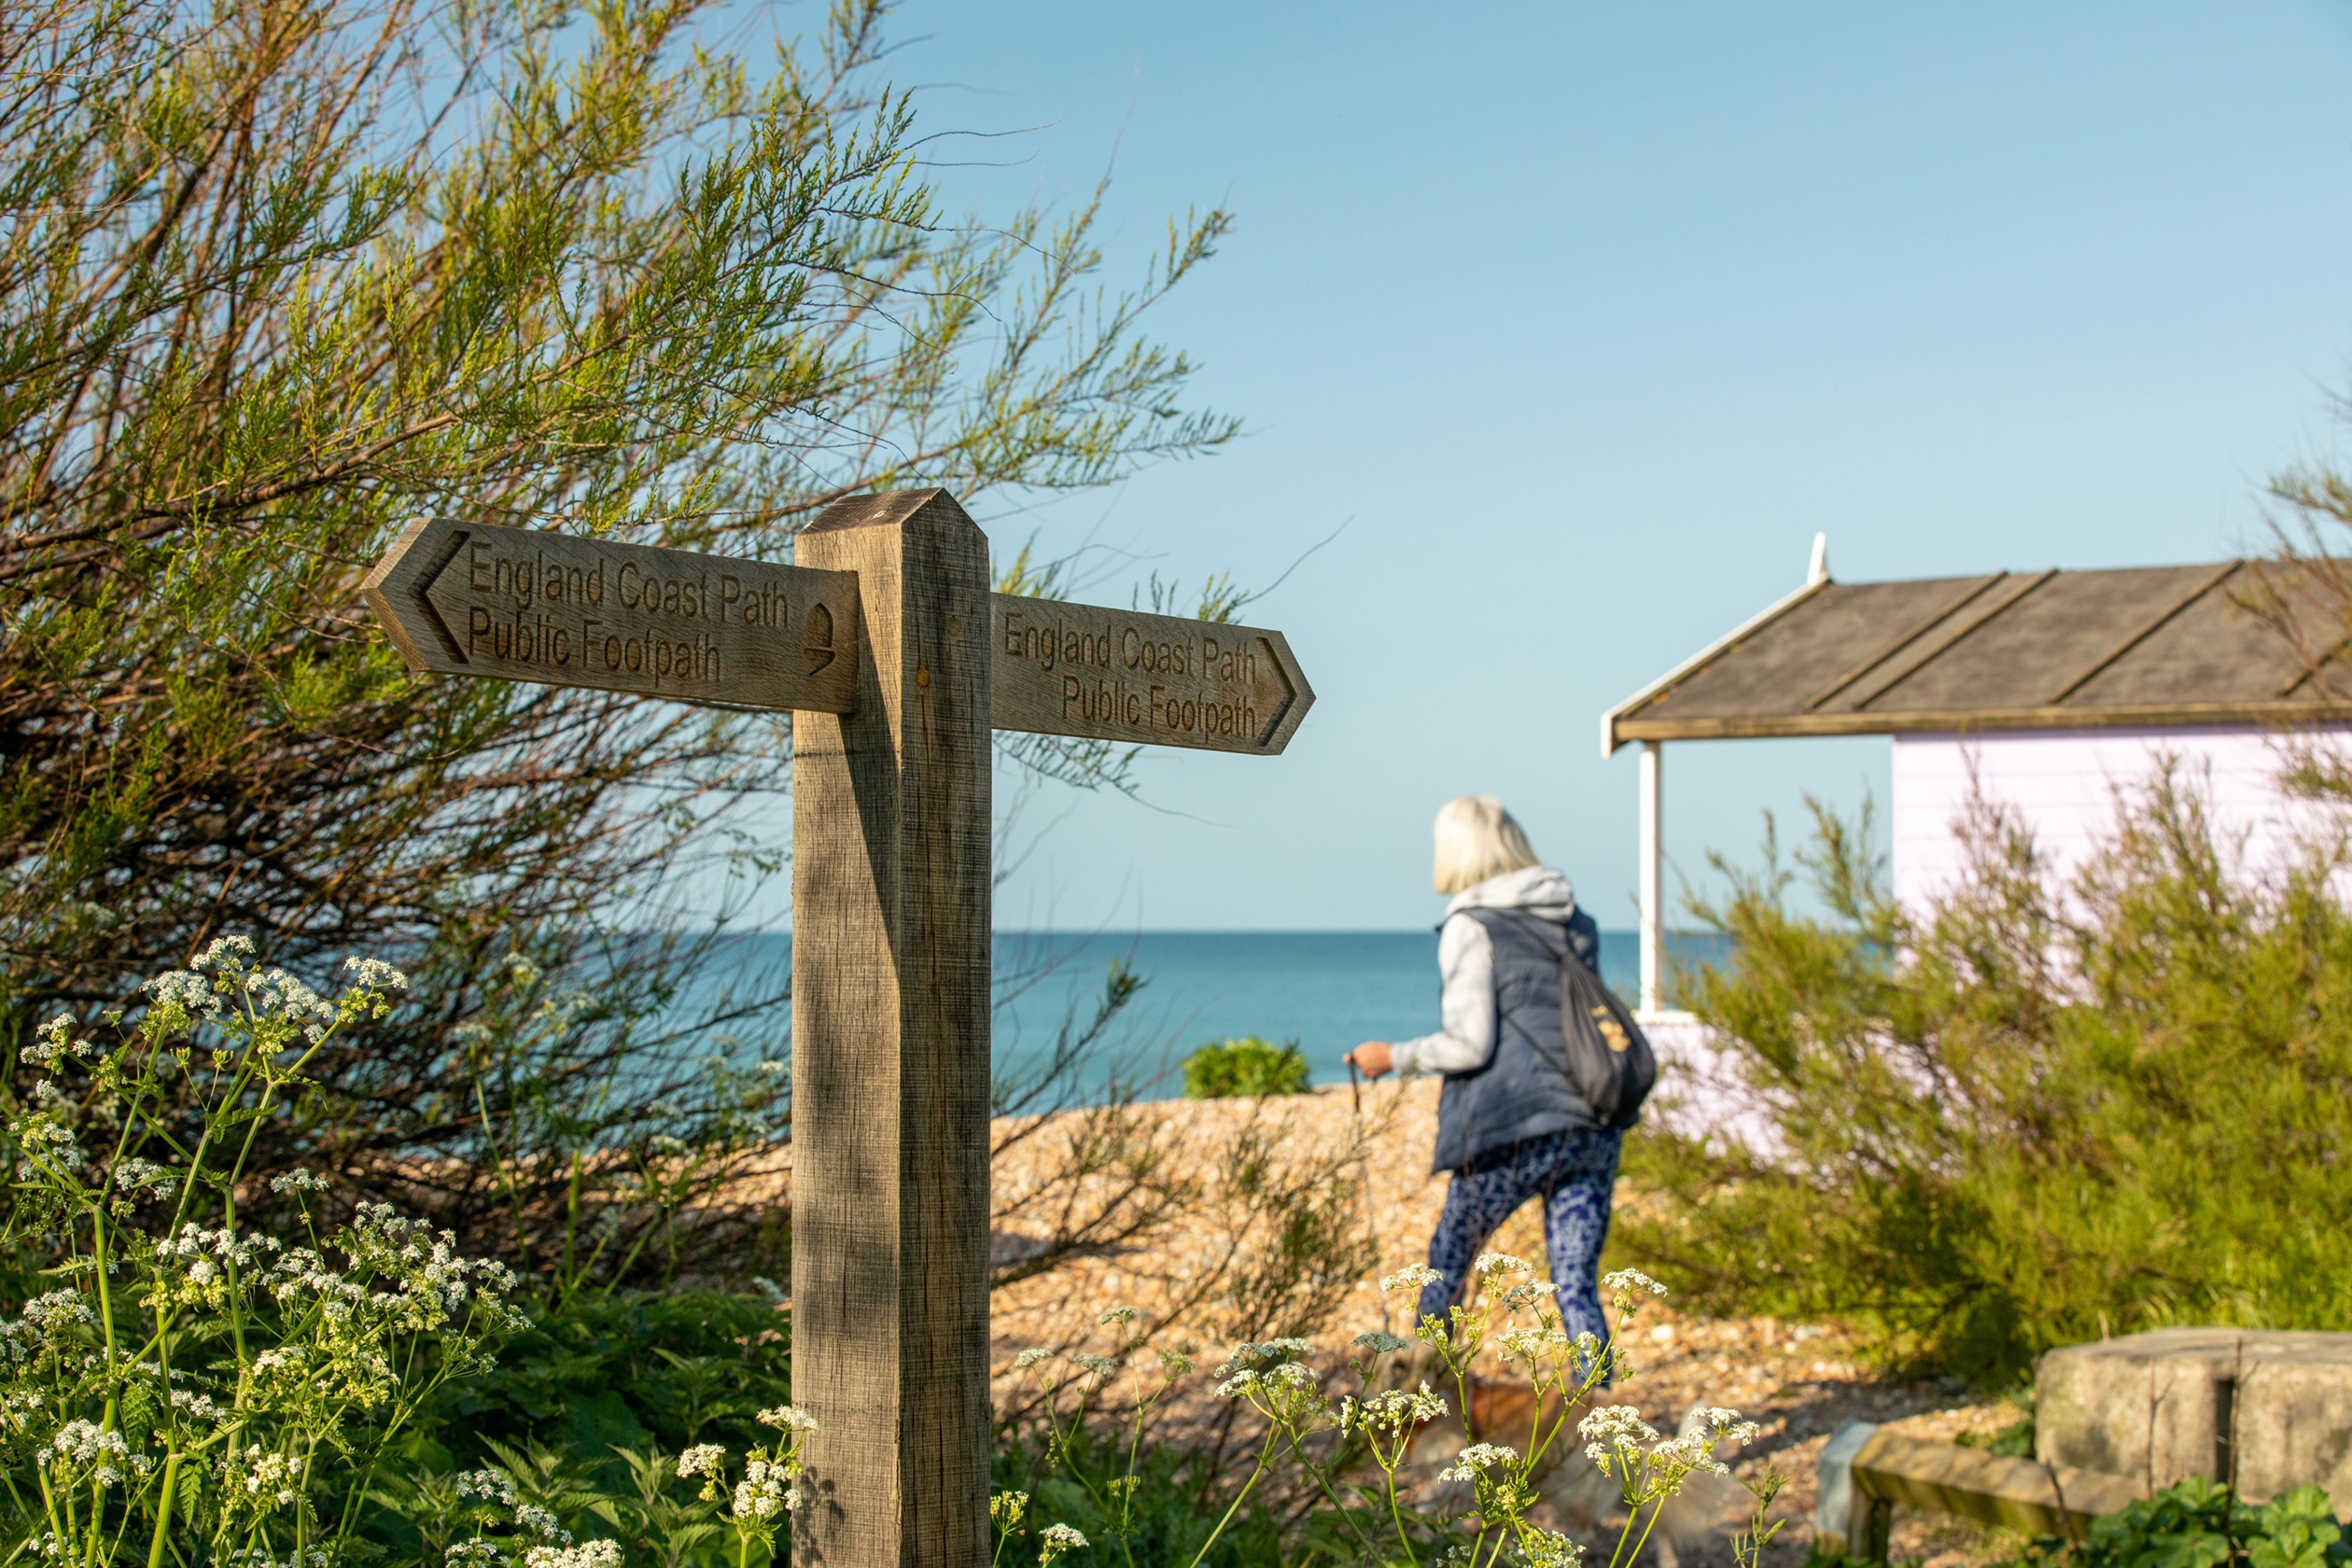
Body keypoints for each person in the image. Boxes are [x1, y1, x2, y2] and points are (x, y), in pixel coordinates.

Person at [1344, 794, 1620, 1362]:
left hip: (1511, 1128)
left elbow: (1470, 1044)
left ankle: (1419, 1411)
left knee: (1447, 1268)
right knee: (1575, 1286)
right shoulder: (1576, 920)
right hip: (1592, 1122)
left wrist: (1390, 1056)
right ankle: (1600, 1434)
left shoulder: (1471, 926)